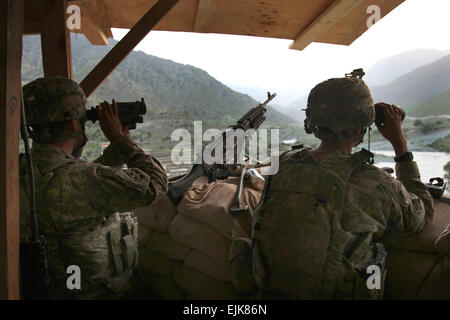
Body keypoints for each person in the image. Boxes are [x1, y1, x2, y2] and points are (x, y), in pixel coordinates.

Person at [251, 74, 434, 299]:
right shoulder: (378, 184)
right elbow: (419, 217)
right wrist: (401, 147)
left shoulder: (283, 164)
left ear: (312, 120)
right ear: (360, 128)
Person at [19, 77, 168, 299]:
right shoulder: (81, 180)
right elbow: (156, 184)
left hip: (56, 288)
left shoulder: (25, 167)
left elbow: (84, 179)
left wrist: (117, 150)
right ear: (72, 123)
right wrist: (120, 139)